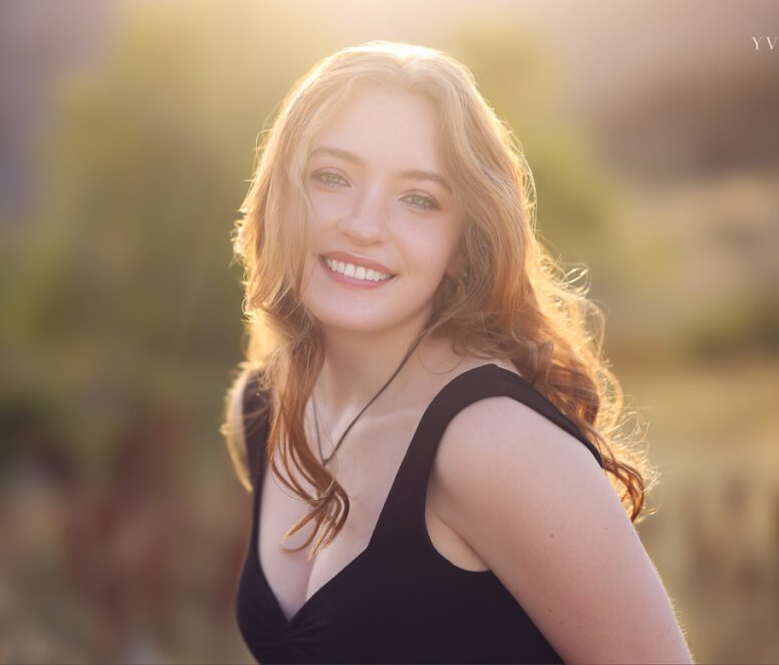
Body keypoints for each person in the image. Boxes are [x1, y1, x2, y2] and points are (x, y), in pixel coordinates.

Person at [220, 40, 693, 664]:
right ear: (280, 197)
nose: (363, 224)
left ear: (463, 247)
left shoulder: (491, 441)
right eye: (331, 177)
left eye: (418, 198)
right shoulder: (263, 405)